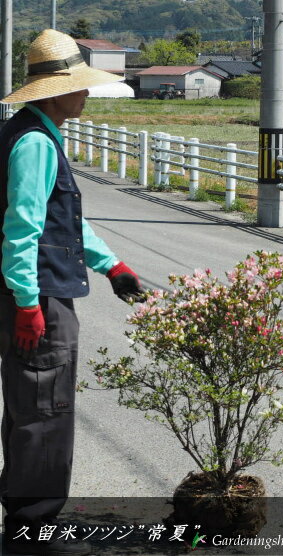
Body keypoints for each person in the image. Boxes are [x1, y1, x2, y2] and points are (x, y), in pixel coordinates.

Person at [0, 29, 145, 555]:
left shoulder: (29, 133)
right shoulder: (36, 143)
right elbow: (22, 228)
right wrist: (27, 303)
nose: (85, 94)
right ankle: (34, 530)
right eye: (79, 86)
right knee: (45, 408)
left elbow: (64, 220)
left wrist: (112, 266)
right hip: (39, 298)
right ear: (53, 91)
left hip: (36, 292)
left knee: (27, 406)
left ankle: (23, 517)